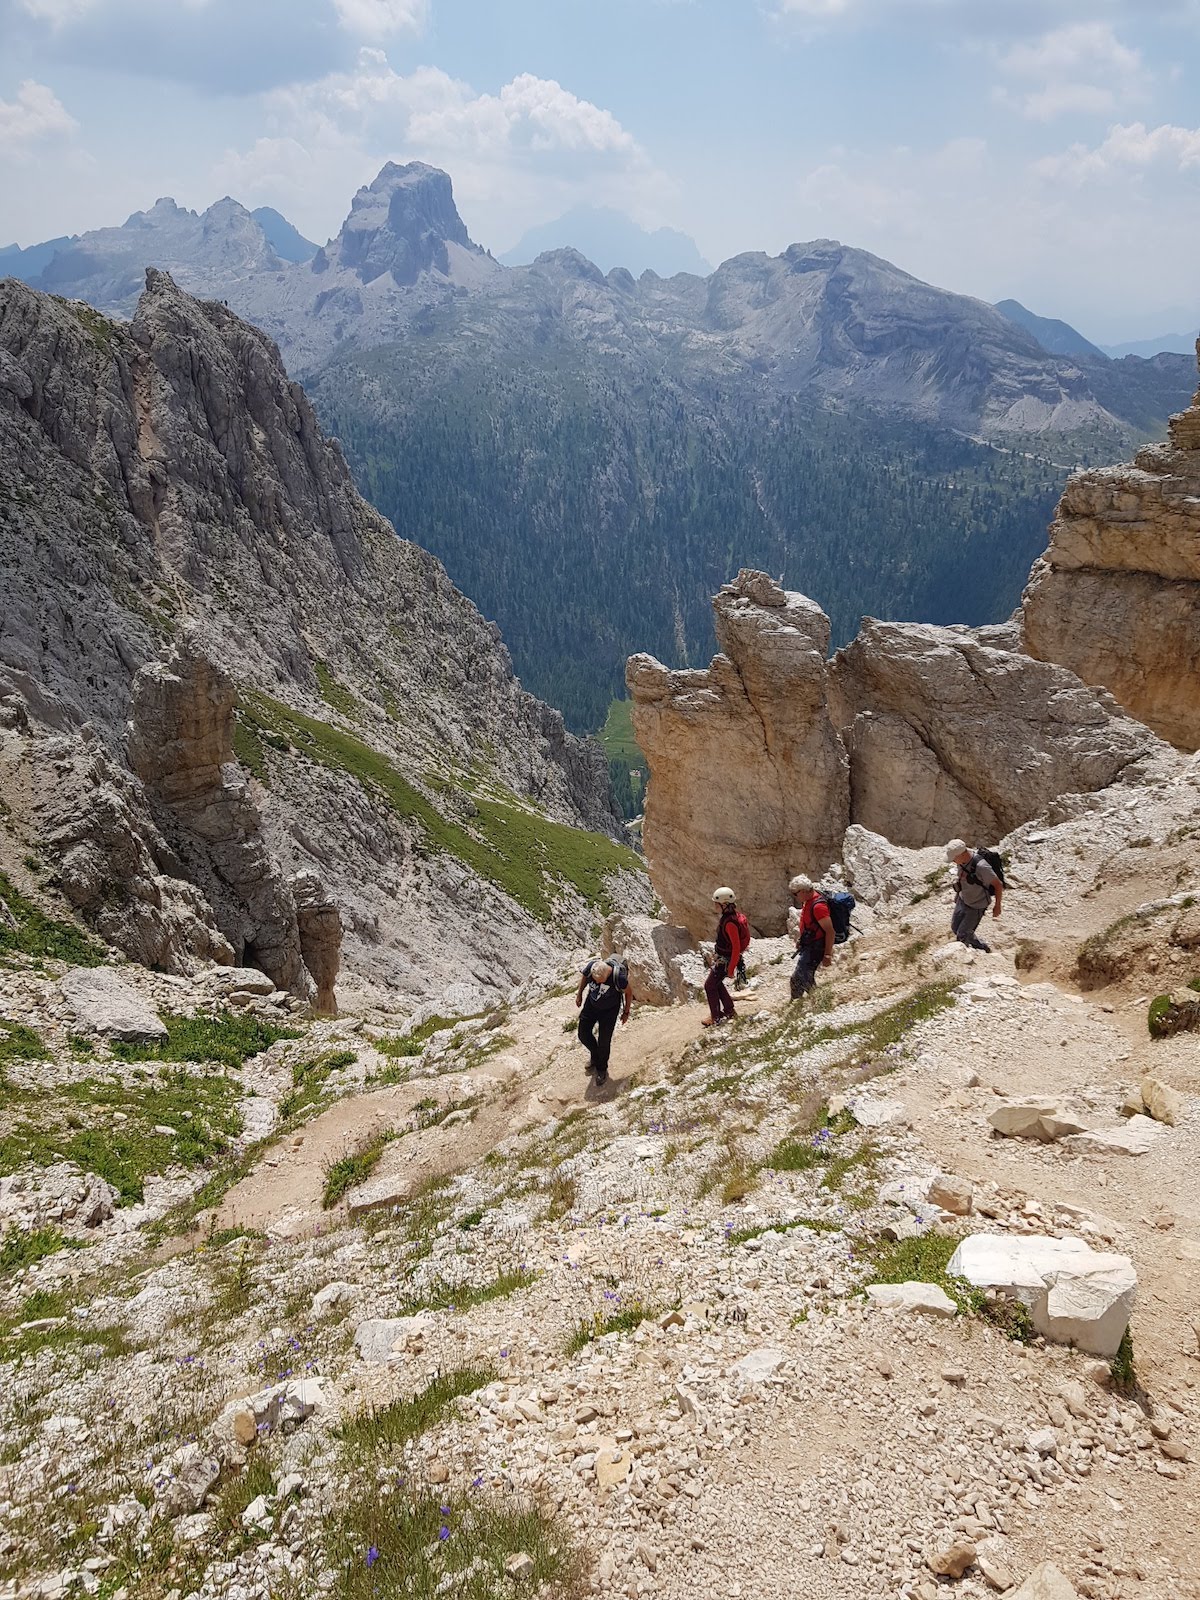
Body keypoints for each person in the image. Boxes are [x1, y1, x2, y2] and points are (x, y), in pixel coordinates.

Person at [575, 955, 630, 1085]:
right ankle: (595, 1055)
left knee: (604, 1042)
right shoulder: (592, 967)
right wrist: (579, 994)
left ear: (607, 973)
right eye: (596, 980)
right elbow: (584, 977)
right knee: (583, 1034)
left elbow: (629, 992)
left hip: (609, 1011)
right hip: (591, 1005)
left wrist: (626, 1012)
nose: (598, 983)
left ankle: (601, 1069)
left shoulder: (618, 977)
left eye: (601, 981)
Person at [946, 839, 1002, 951]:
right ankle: (975, 942)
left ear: (962, 854)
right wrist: (958, 895)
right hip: (963, 899)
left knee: (962, 935)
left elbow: (998, 885)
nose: (953, 861)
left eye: (954, 858)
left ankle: (980, 950)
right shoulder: (962, 862)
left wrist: (997, 906)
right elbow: (962, 878)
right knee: (955, 927)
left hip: (976, 906)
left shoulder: (982, 867)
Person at [702, 887, 744, 1027]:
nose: (715, 906)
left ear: (724, 904)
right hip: (724, 958)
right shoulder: (730, 918)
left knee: (709, 986)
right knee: (716, 983)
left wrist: (731, 968)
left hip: (725, 961)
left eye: (717, 903)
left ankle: (715, 1017)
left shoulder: (730, 923)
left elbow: (736, 947)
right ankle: (729, 1011)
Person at [789, 874, 834, 999]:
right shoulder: (809, 900)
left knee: (799, 977)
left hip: (816, 947)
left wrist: (827, 954)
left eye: (795, 893)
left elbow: (830, 931)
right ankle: (816, 1001)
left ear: (803, 891)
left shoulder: (818, 907)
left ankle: (802, 1003)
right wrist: (801, 939)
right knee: (805, 977)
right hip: (810, 944)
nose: (795, 896)